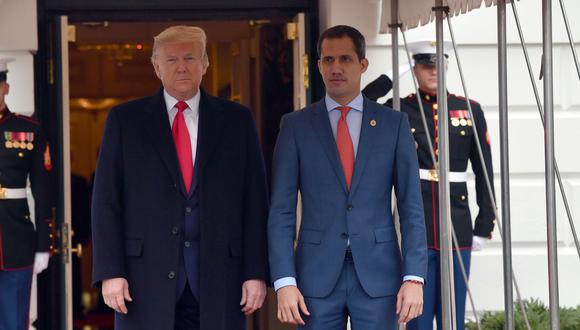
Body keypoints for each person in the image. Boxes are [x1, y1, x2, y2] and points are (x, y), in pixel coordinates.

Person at [91, 25, 269, 330]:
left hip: (220, 278)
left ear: (205, 64)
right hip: (142, 281)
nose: (182, 67)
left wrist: (256, 272)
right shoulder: (125, 121)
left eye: (190, 57)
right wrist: (110, 271)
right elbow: (106, 201)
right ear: (156, 67)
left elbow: (254, 202)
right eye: (171, 60)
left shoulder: (237, 120)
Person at [268, 25, 427, 330]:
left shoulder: (394, 125)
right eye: (328, 60)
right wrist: (284, 281)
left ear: (363, 64)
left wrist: (414, 276)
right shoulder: (295, 127)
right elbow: (282, 211)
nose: (336, 68)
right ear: (318, 66)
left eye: (345, 59)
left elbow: (411, 208)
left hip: (380, 277)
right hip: (314, 278)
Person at [363, 41, 496, 330]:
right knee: (416, 316)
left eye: (438, 65)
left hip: (457, 223)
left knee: (453, 316)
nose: (433, 71)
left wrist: (484, 224)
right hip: (417, 224)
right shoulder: (401, 109)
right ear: (415, 68)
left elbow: (484, 169)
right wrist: (391, 75)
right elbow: (363, 104)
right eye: (425, 65)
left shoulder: (468, 109)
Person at [0, 57, 52, 329]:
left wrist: (43, 245)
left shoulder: (28, 130)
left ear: (6, 87)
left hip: (16, 242)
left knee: (13, 322)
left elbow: (43, 192)